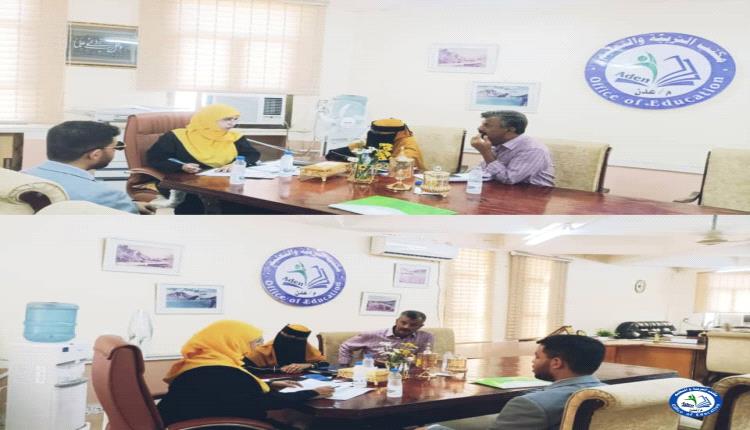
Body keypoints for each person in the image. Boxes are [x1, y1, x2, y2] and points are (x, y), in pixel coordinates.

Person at [156, 320, 333, 427]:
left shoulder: (203, 362)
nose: (254, 348)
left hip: (201, 418)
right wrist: (313, 392)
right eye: (252, 342)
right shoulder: (220, 370)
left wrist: (271, 384)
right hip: (223, 424)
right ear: (233, 342)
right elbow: (264, 402)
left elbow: (227, 391)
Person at [422, 335, 605, 430]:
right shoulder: (611, 393)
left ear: (556, 363)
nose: (533, 361)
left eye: (537, 356)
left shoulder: (531, 405)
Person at [146, 104, 261, 214]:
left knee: (248, 202)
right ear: (209, 119)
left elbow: (252, 154)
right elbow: (155, 158)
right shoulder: (176, 137)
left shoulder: (234, 137)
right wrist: (181, 166)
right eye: (227, 119)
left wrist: (236, 164)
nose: (232, 123)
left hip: (224, 181)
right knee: (195, 205)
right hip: (184, 182)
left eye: (235, 119)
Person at [24, 121, 152, 214]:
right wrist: (124, 205)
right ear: (95, 154)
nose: (116, 150)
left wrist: (131, 205)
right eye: (116, 147)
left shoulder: (21, 177)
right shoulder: (107, 195)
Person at [470, 110, 554, 187]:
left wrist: (486, 153)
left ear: (510, 130)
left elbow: (509, 179)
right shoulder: (498, 143)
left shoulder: (533, 149)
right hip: (501, 190)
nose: (480, 128)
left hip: (531, 194)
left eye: (487, 125)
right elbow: (484, 172)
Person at [338, 310, 434, 366]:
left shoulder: (426, 337)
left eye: (413, 325)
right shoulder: (372, 334)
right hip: (374, 372)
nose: (406, 327)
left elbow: (423, 358)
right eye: (403, 323)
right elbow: (346, 346)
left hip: (406, 373)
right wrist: (344, 366)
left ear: (420, 326)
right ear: (396, 321)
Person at [326, 118, 426, 171]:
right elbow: (334, 153)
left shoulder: (407, 142)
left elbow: (402, 166)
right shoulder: (372, 138)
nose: (374, 136)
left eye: (380, 134)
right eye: (374, 133)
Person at [244, 324, 330, 374]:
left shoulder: (306, 348)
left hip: (302, 383)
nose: (290, 343)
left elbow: (325, 363)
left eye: (296, 341)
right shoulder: (264, 350)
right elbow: (245, 369)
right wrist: (278, 370)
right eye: (286, 337)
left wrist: (307, 365)